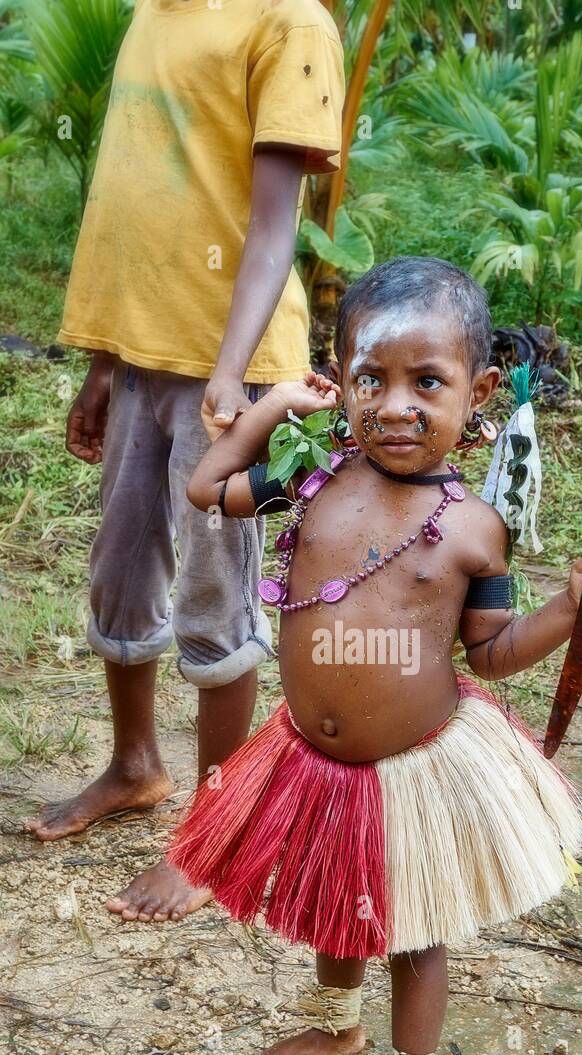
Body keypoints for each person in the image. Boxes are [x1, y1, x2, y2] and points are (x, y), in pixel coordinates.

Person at [168, 256, 582, 1055]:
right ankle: (338, 1028)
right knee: (331, 909)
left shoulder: (472, 529)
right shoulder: (305, 483)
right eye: (369, 379)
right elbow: (204, 490)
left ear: (481, 390)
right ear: (337, 380)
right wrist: (269, 410)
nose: (395, 406)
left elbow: (492, 654)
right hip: (309, 758)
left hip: (414, 769)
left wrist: (568, 609)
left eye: (428, 382)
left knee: (412, 932)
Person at [25, 0, 345, 926]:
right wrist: (100, 362)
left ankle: (213, 831)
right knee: (121, 573)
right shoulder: (150, 15)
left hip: (229, 375)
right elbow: (133, 209)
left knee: (215, 589)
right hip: (139, 359)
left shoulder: (290, 23)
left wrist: (231, 379)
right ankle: (135, 766)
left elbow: (275, 225)